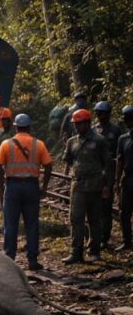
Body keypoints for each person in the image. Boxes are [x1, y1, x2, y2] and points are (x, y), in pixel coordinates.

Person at [0, 113, 52, 270]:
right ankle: (32, 260)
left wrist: (0, 187)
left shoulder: (6, 144)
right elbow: (48, 165)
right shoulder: (38, 144)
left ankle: (9, 258)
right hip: (31, 187)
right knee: (32, 224)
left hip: (12, 187)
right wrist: (44, 187)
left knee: (10, 224)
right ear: (29, 127)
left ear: (15, 127)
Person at [63, 108, 110, 263]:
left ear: (88, 123)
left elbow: (107, 164)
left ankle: (94, 250)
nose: (77, 127)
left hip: (96, 185)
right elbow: (68, 159)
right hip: (78, 185)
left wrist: (106, 185)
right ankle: (76, 252)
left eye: (79, 124)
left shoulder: (99, 140)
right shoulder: (72, 141)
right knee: (76, 219)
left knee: (94, 219)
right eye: (75, 124)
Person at [93, 101, 122, 248]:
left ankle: (105, 237)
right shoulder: (93, 130)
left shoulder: (116, 130)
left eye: (103, 113)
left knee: (106, 204)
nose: (100, 116)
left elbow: (119, 153)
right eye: (98, 113)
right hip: (95, 171)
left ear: (108, 114)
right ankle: (95, 237)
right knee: (93, 205)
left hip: (109, 171)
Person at [115, 105, 133, 252]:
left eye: (129, 119)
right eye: (126, 119)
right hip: (128, 180)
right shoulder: (123, 139)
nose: (128, 122)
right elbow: (120, 161)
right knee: (124, 212)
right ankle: (127, 241)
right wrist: (117, 181)